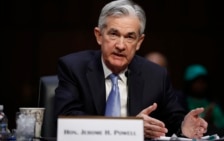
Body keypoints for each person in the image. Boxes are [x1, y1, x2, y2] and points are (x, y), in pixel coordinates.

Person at [54, 0, 207, 139]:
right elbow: (68, 120)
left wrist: (183, 126)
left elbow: (174, 118)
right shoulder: (73, 67)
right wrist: (131, 127)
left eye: (129, 37)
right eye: (114, 34)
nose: (121, 46)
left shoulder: (156, 75)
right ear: (99, 36)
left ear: (139, 42)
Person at [182, 64, 224, 134]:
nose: (201, 85)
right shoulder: (181, 101)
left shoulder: (212, 102)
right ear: (189, 83)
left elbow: (222, 125)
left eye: (203, 82)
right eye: (197, 82)